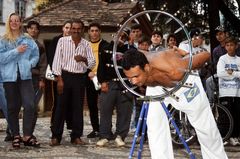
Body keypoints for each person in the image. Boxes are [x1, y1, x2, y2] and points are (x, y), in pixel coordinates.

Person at [121, 49, 228, 159]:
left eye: (135, 76)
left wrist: (187, 55)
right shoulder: (136, 60)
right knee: (154, 123)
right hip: (157, 88)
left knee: (205, 127)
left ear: (147, 68)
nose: (133, 82)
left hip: (184, 83)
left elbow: (205, 55)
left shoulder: (174, 70)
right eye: (129, 78)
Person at [50, 19, 95, 146]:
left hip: (80, 78)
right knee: (60, 107)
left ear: (83, 30)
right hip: (64, 76)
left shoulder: (86, 44)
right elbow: (57, 61)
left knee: (77, 107)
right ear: (70, 29)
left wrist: (83, 59)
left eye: (78, 28)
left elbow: (92, 63)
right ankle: (56, 136)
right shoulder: (62, 41)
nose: (75, 31)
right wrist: (59, 79)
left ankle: (76, 136)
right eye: (73, 28)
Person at [0, 13, 40, 148]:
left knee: (30, 105)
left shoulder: (28, 39)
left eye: (17, 20)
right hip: (9, 78)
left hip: (25, 77)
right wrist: (16, 51)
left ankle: (27, 135)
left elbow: (36, 55)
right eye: (12, 21)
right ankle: (16, 135)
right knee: (12, 107)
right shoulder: (4, 40)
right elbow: (1, 58)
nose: (14, 23)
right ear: (8, 23)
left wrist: (29, 64)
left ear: (20, 22)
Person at [95, 30, 133, 147]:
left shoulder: (129, 51)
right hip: (109, 83)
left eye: (124, 36)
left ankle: (120, 136)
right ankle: (104, 136)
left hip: (124, 84)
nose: (121, 37)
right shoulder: (105, 47)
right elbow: (101, 66)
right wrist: (103, 82)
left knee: (125, 111)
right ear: (115, 35)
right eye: (120, 35)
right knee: (105, 110)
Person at [47, 20, 72, 129]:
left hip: (71, 76)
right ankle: (54, 124)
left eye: (70, 28)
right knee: (58, 101)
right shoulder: (56, 40)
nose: (68, 30)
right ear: (63, 28)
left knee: (71, 102)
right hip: (58, 76)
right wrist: (57, 75)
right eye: (66, 28)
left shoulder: (74, 41)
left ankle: (70, 125)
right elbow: (51, 58)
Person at [86, 22, 109, 138]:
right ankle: (96, 129)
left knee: (106, 105)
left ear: (100, 32)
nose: (94, 33)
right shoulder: (85, 45)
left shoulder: (106, 45)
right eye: (92, 30)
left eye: (96, 30)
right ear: (89, 32)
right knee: (92, 105)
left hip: (103, 78)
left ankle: (106, 129)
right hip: (90, 79)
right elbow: (81, 62)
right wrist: (87, 72)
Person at [217, 36, 240, 146]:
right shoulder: (222, 59)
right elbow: (220, 73)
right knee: (225, 116)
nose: (230, 47)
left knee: (237, 115)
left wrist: (232, 72)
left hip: (237, 92)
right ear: (225, 47)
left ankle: (234, 136)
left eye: (232, 45)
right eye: (227, 45)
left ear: (236, 46)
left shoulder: (239, 60)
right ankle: (224, 136)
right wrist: (236, 74)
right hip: (225, 92)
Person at [26, 20, 47, 136]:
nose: (33, 30)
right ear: (27, 29)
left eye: (36, 28)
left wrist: (41, 79)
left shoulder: (40, 46)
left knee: (33, 107)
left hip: (34, 79)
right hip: (21, 78)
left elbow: (43, 64)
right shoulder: (20, 44)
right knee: (16, 105)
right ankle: (12, 133)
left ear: (38, 31)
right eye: (31, 28)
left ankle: (29, 132)